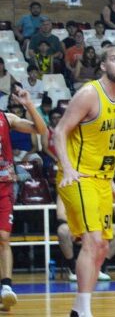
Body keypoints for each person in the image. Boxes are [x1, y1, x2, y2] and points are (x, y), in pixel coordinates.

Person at [53, 45, 115, 317]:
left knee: (104, 245)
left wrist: (110, 182)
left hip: (100, 179)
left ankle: (78, 309)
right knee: (93, 240)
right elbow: (59, 131)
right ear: (103, 66)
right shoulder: (88, 94)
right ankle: (84, 311)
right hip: (77, 175)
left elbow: (109, 143)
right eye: (114, 59)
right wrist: (67, 168)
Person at [0, 86, 47, 310]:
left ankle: (6, 287)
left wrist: (29, 104)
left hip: (4, 187)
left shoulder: (6, 118)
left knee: (3, 237)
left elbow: (40, 129)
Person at [56, 195, 115, 282]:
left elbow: (105, 214)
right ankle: (73, 269)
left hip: (95, 226)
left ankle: (99, 267)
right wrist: (82, 228)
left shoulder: (98, 186)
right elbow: (61, 215)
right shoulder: (65, 188)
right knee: (62, 230)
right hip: (75, 226)